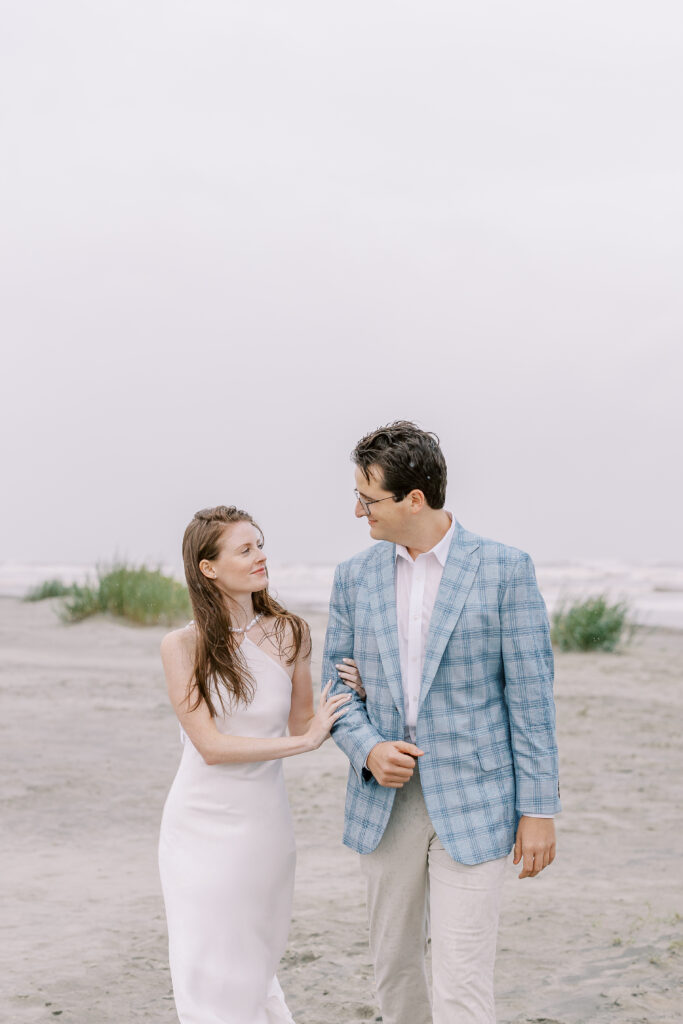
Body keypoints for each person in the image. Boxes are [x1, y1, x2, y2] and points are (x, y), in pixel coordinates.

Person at [323, 421, 561, 1024]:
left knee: (462, 984)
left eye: (368, 498)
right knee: (396, 974)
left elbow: (531, 699)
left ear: (415, 499)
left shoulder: (506, 570)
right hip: (386, 804)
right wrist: (369, 748)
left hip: (480, 802)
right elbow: (335, 689)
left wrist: (539, 809)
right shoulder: (354, 577)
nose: (358, 511)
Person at [158, 505, 357, 1024]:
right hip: (198, 828)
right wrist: (306, 743)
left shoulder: (291, 633)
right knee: (206, 965)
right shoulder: (182, 646)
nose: (260, 556)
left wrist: (355, 688)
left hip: (265, 829)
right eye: (244, 549)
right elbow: (212, 747)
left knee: (254, 959)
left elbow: (303, 723)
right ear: (208, 567)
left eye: (259, 544)